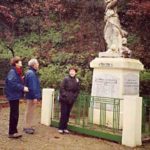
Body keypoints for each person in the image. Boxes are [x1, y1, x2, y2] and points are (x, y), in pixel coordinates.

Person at [5, 56, 29, 138]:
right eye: (20, 61)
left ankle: (14, 131)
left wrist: (21, 79)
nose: (21, 62)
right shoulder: (13, 72)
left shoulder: (16, 72)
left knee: (15, 114)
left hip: (14, 95)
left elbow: (14, 81)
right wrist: (23, 87)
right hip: (13, 96)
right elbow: (12, 84)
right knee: (14, 114)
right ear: (16, 63)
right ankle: (12, 133)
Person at [58, 67, 80, 134]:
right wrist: (66, 95)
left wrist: (74, 97)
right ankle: (61, 128)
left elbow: (77, 90)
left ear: (75, 72)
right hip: (64, 99)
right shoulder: (65, 79)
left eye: (73, 71)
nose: (72, 72)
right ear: (69, 72)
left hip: (71, 99)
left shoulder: (77, 80)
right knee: (63, 113)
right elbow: (62, 88)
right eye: (71, 71)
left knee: (67, 113)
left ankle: (65, 128)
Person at [23, 58, 41, 134]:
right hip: (31, 96)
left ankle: (27, 126)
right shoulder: (31, 73)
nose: (38, 65)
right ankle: (27, 127)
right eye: (37, 63)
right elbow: (32, 86)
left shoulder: (30, 72)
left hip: (29, 95)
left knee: (29, 111)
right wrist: (35, 97)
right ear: (33, 65)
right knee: (30, 112)